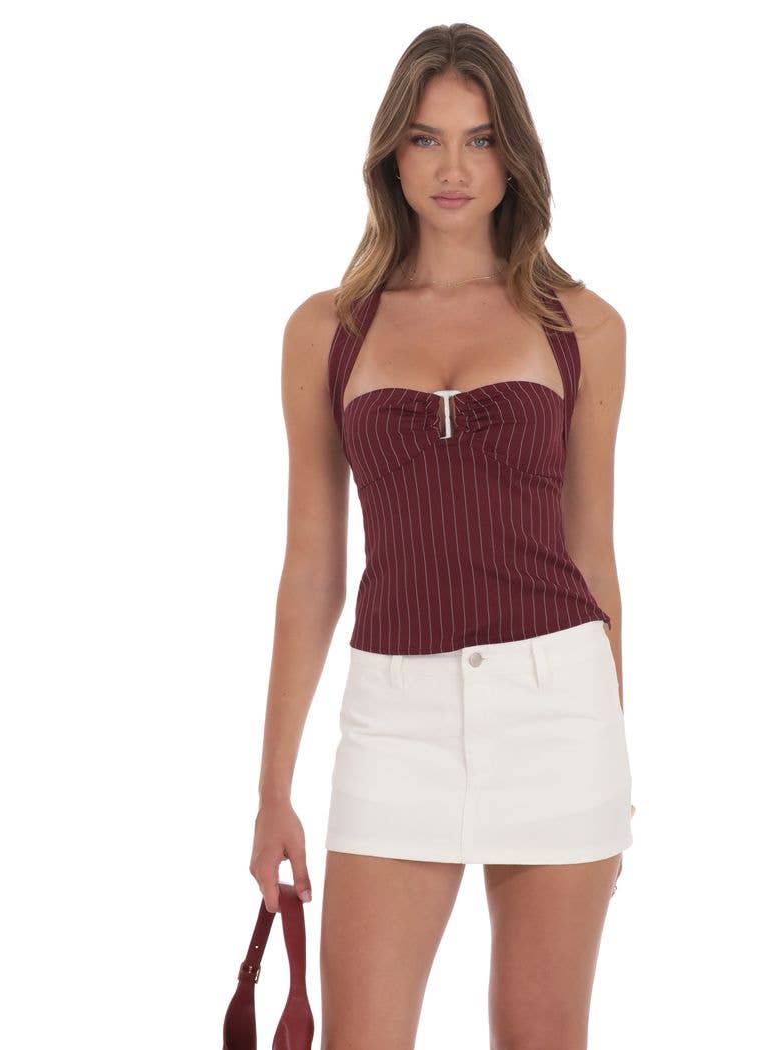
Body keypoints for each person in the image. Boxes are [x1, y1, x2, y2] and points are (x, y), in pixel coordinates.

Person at [249, 22, 634, 1048]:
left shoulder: (583, 326)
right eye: (426, 139)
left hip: (559, 715)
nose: (453, 168)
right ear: (393, 154)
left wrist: (616, 764)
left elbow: (594, 557)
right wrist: (273, 788)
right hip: (395, 721)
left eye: (479, 139)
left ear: (514, 155)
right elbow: (312, 571)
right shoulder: (327, 331)